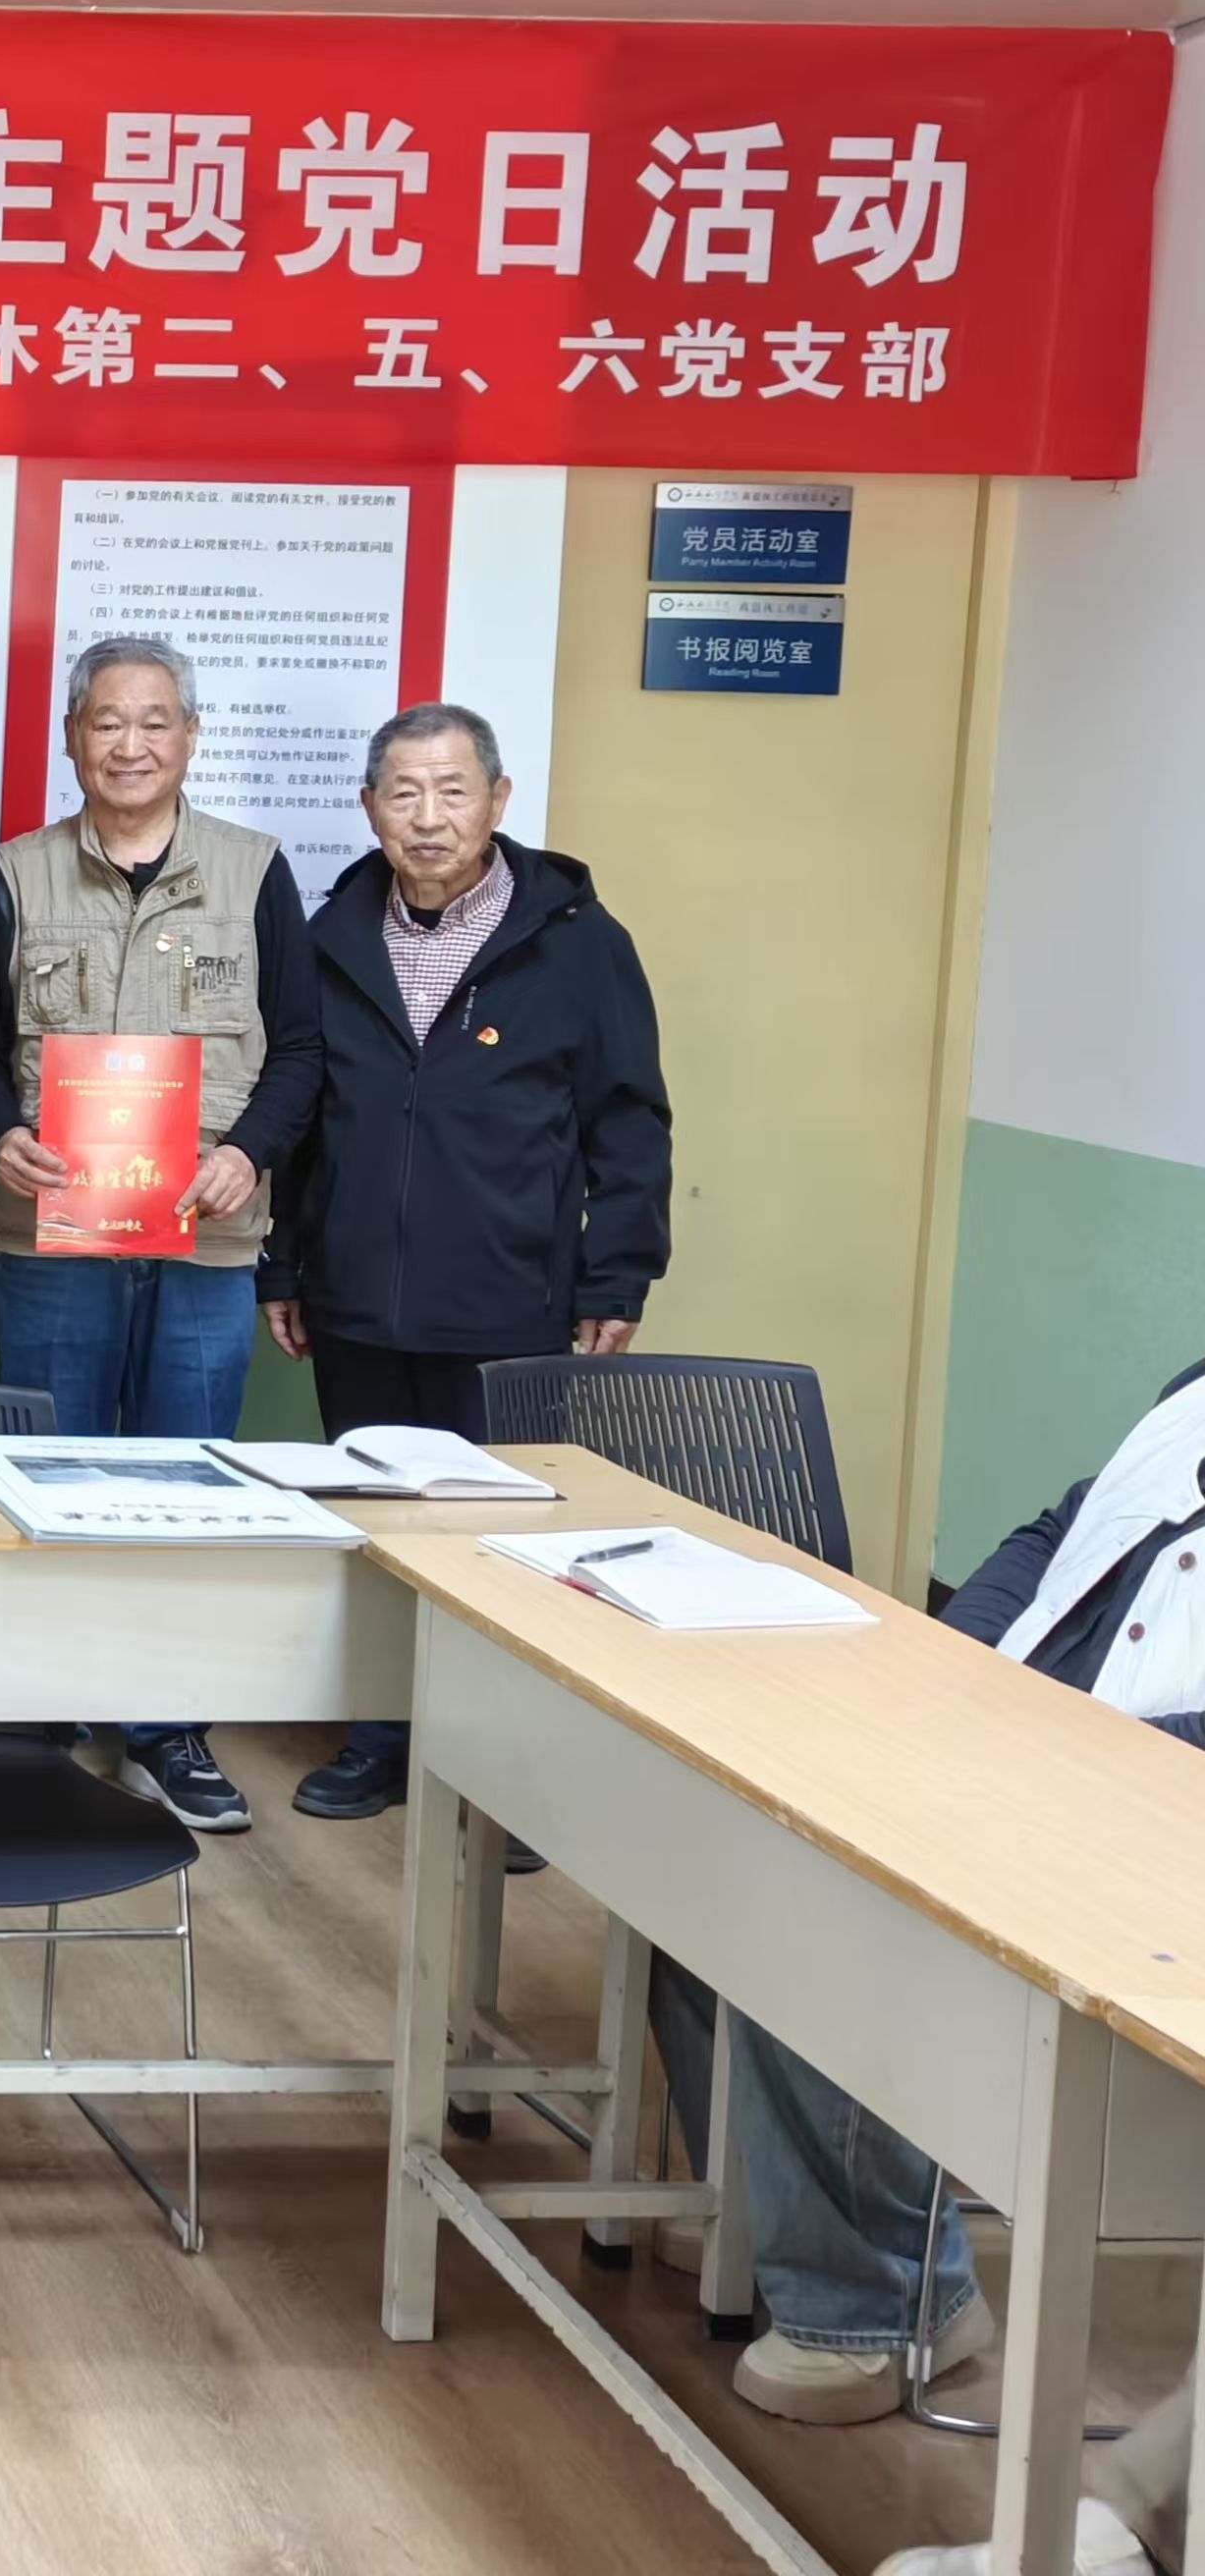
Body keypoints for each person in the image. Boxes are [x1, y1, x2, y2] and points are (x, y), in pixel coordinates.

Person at [653, 1366, 1205, 2549]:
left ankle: (876, 2304)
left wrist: (1062, 1756)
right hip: (1022, 1750)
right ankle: (785, 2222)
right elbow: (1063, 1527)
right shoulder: (1190, 1388)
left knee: (813, 1904)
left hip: (1147, 1827)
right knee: (710, 1837)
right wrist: (947, 1670)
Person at [260, 700, 671, 1822]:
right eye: (404, 793)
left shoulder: (578, 943)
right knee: (374, 1521)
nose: (428, 817)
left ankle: (504, 1774)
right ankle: (380, 1736)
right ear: (368, 808)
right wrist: (284, 1265)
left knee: (503, 1538)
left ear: (497, 801)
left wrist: (617, 1272)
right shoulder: (333, 937)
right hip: (355, 1299)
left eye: (453, 791)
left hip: (508, 1299)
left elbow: (628, 1121)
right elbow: (303, 1117)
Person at [0, 635, 317, 1836]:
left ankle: (165, 1726)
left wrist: (246, 1150)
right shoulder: (14, 873)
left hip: (205, 1238)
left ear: (190, 737)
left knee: (184, 1482)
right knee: (49, 1469)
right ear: (72, 738)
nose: (130, 744)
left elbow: (302, 1049)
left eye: (155, 722)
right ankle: (47, 1707)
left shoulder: (255, 871)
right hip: (51, 1233)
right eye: (106, 722)